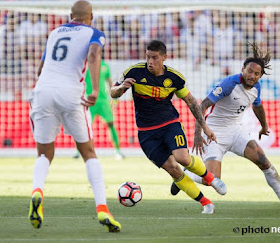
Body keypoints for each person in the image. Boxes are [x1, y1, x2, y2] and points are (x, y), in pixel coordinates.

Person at [28, 0, 121, 232]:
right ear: (91, 16)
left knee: (44, 154)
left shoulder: (54, 32)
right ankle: (102, 208)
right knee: (88, 152)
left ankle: (37, 191)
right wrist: (97, 89)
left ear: (71, 15)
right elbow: (93, 55)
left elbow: (41, 69)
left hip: (42, 91)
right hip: (71, 94)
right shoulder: (95, 33)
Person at [110, 40, 226, 214]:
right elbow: (113, 91)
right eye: (148, 57)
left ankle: (211, 179)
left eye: (155, 58)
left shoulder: (174, 78)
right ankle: (206, 203)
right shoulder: (133, 72)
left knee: (183, 158)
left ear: (164, 57)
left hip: (169, 124)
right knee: (173, 169)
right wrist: (121, 89)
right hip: (146, 132)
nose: (150, 61)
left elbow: (191, 102)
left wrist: (205, 128)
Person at [173, 42, 280, 201]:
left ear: (260, 76)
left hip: (236, 131)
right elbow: (202, 105)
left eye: (256, 74)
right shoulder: (229, 84)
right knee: (214, 180)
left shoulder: (256, 87)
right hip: (215, 133)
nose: (252, 76)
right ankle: (184, 175)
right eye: (249, 71)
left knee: (264, 162)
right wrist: (198, 133)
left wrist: (264, 126)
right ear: (242, 69)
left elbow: (257, 106)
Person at [73, 60, 124, 160]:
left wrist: (114, 98)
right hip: (89, 100)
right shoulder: (86, 65)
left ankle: (118, 151)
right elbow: (79, 81)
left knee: (110, 124)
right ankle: (78, 152)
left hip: (103, 101)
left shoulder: (105, 66)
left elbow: (109, 82)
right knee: (84, 127)